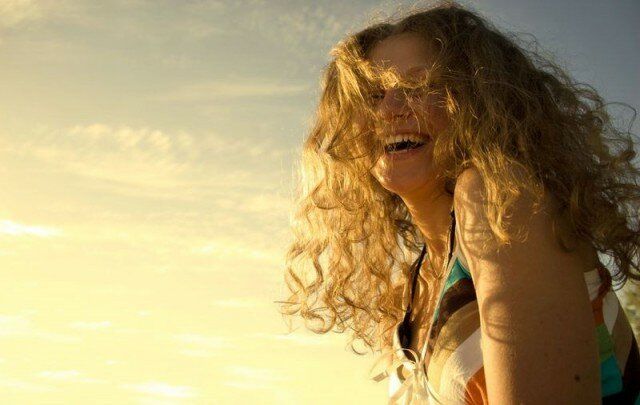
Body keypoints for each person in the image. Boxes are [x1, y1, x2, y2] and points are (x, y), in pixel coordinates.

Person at [277, 1, 640, 403]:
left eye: (418, 87)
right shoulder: (408, 295)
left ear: (481, 104)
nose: (390, 110)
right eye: (373, 95)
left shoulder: (498, 200)